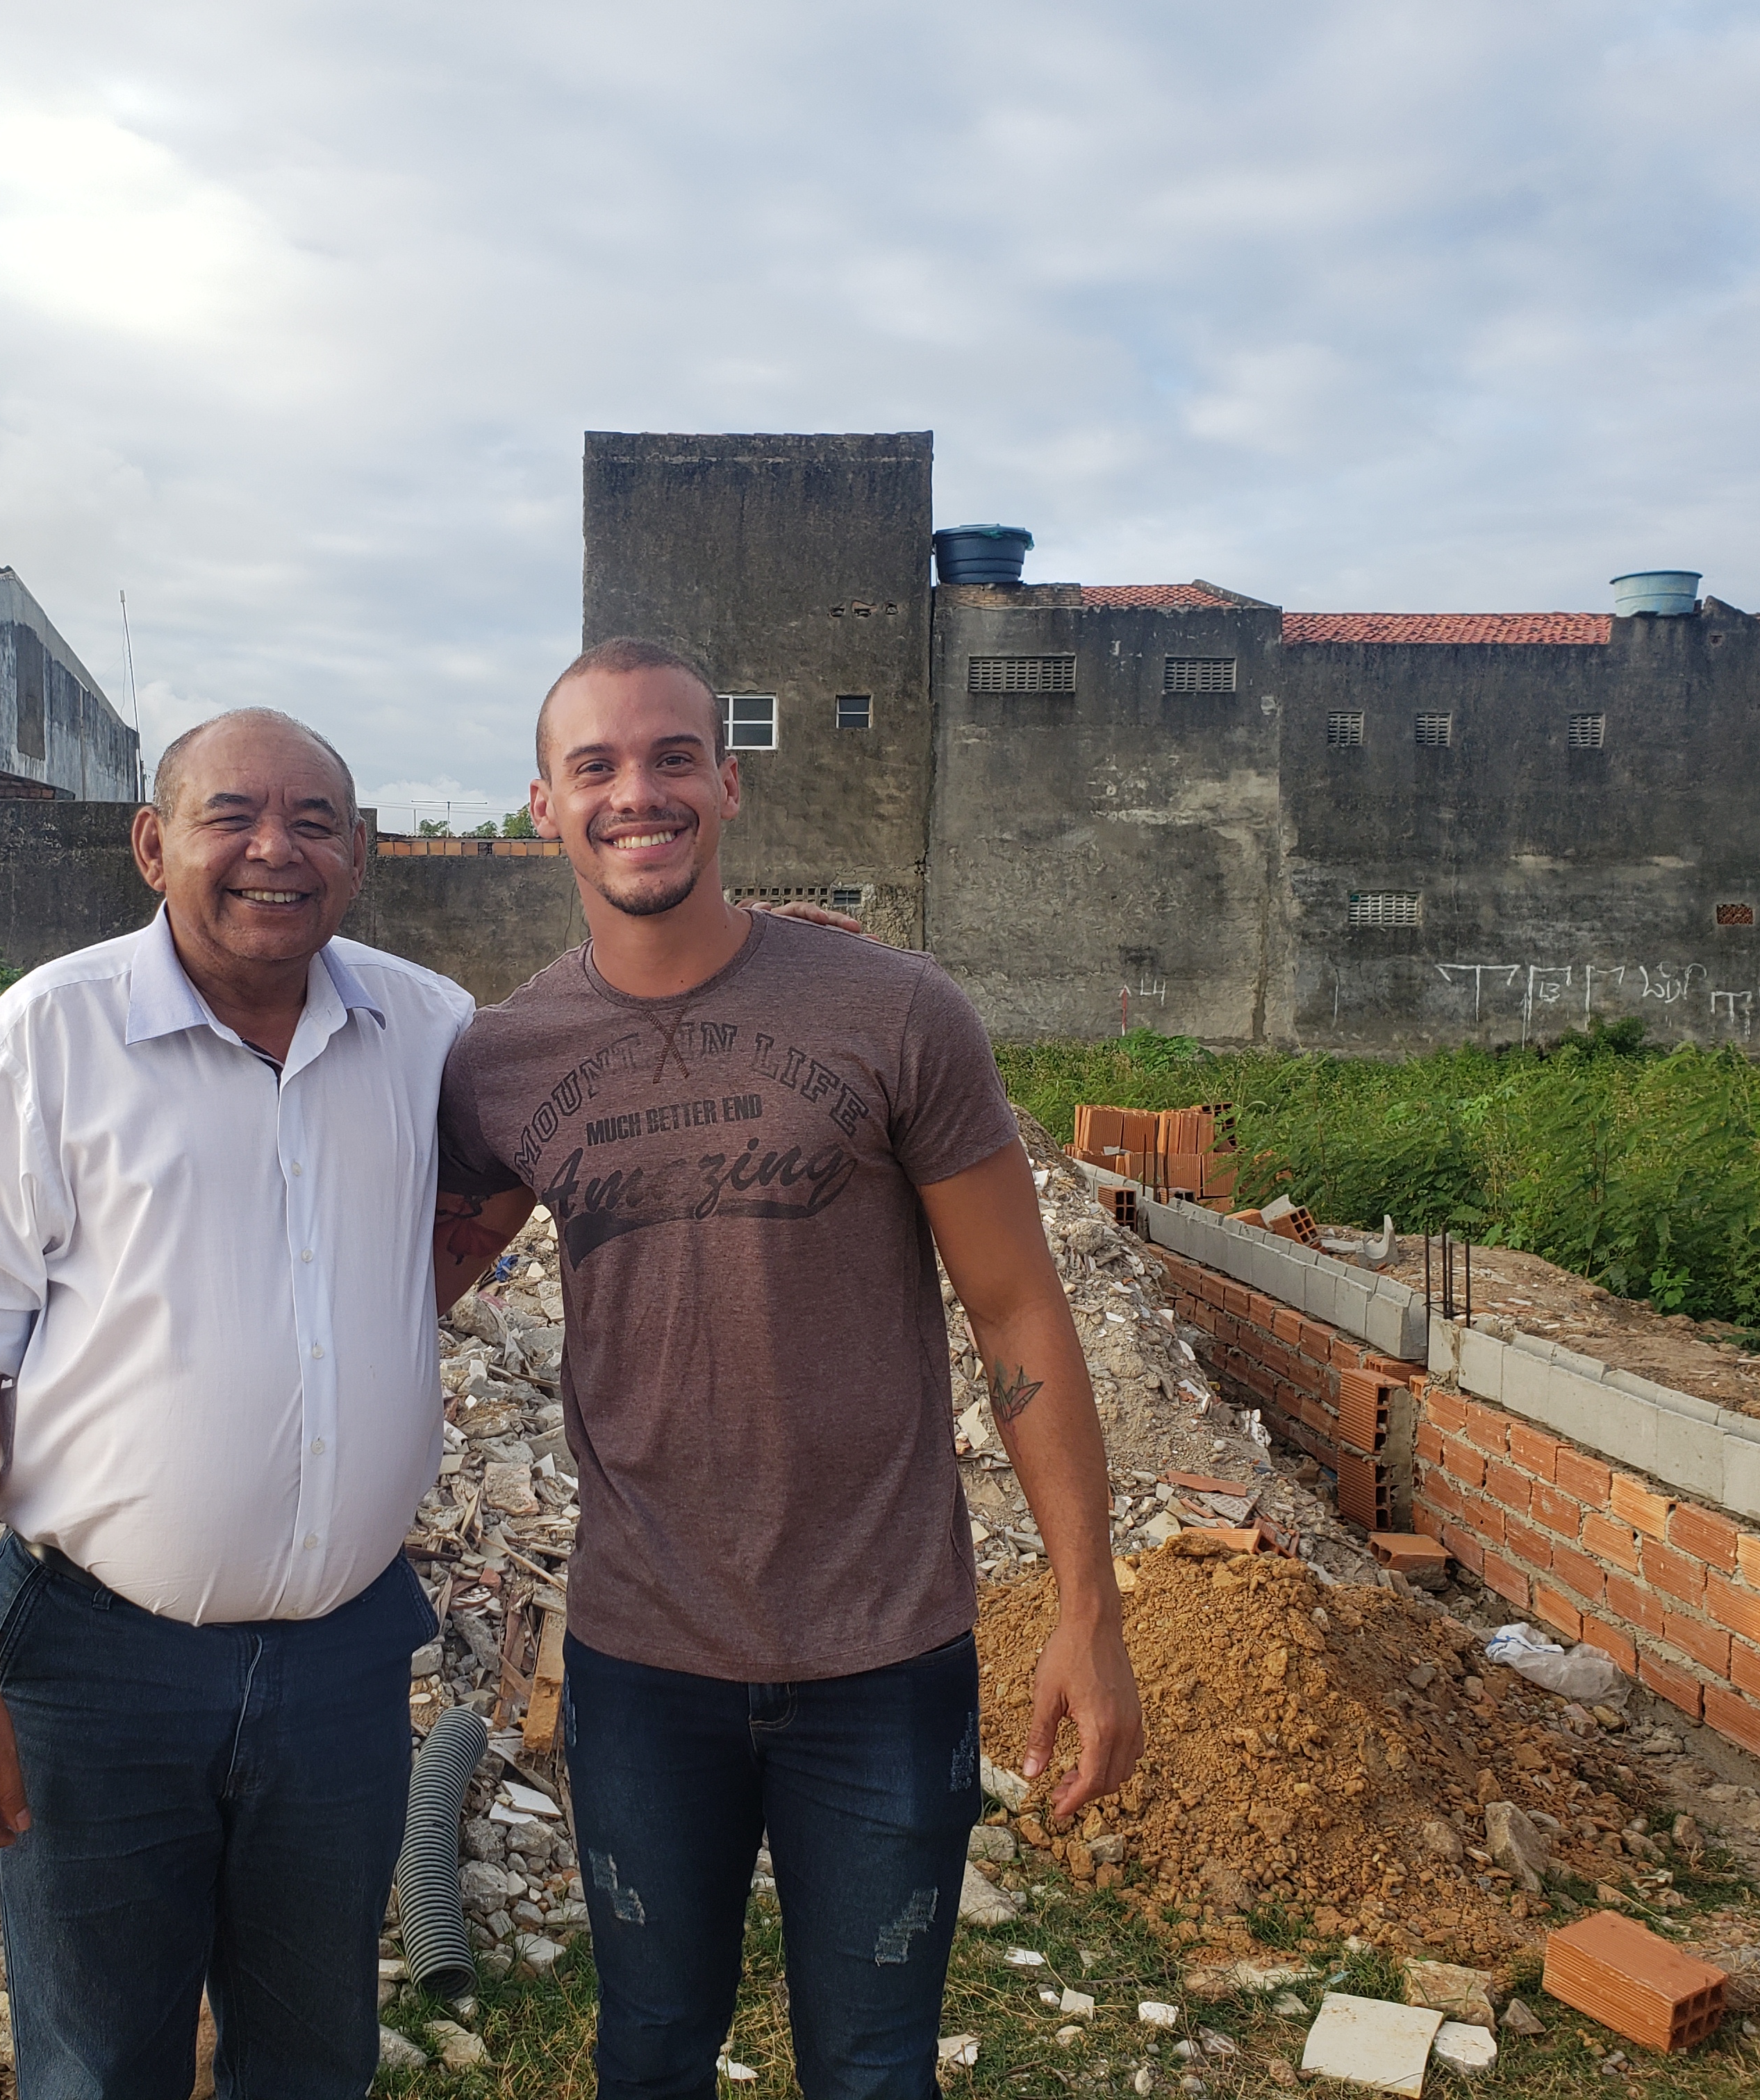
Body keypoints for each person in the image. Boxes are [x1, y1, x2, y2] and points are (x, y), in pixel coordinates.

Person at [433, 636, 1145, 2100]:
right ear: (545, 806)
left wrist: (1089, 1612)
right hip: (642, 1660)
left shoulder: (893, 1013)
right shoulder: (504, 1063)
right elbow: (389, 1285)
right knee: (647, 2053)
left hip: (886, 1658)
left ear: (727, 785)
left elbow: (1017, 1317)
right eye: (598, 767)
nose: (640, 792)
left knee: (876, 2071)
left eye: (673, 756)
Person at [0, 708, 469, 2100]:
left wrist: (782, 959)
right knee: (100, 2061)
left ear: (360, 854)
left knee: (314, 2049)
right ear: (154, 845)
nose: (275, 849)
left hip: (340, 1665)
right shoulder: (46, 1044)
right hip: (99, 1671)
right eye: (233, 816)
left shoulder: (429, 1031)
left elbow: (600, 1068)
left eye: (314, 820)